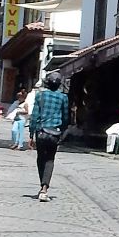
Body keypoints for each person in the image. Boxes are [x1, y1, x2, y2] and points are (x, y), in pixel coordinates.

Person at [30, 72, 68, 202]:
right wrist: (62, 130)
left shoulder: (40, 95)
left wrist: (31, 133)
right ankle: (44, 188)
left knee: (41, 158)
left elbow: (34, 116)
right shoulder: (63, 98)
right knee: (50, 160)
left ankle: (42, 185)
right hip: (55, 133)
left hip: (41, 132)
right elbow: (65, 117)